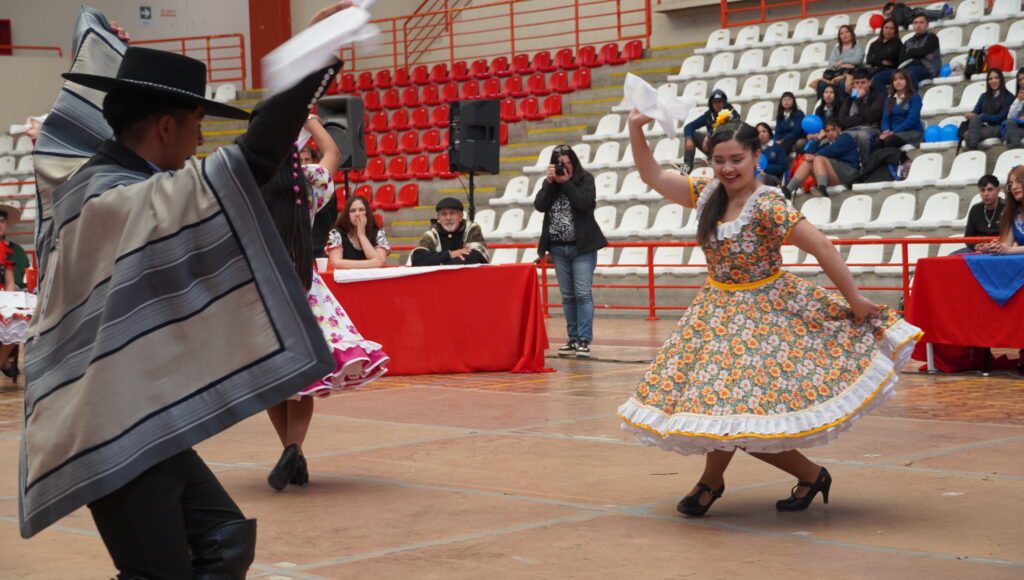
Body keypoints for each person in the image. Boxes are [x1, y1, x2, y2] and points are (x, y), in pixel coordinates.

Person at [20, 4, 351, 578]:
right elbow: (254, 157)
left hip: (136, 411)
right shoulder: (124, 200)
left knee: (225, 540)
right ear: (166, 127)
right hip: (104, 421)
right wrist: (310, 56)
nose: (202, 139)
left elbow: (66, 129)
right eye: (197, 123)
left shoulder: (79, 178)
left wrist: (103, 44)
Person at [621, 109, 920, 517]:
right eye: (719, 160)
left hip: (764, 318)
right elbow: (652, 174)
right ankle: (792, 476)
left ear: (756, 156)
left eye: (737, 159)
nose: (728, 168)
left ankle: (720, 481)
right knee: (719, 409)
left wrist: (854, 300)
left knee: (738, 412)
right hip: (716, 316)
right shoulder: (707, 193)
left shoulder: (767, 205)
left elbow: (822, 247)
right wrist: (635, 128)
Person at [263, 117, 389, 490]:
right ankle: (293, 449)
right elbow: (334, 151)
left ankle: (292, 453)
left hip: (264, 289)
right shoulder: (309, 183)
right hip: (304, 286)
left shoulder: (250, 189)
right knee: (304, 377)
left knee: (272, 378)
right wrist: (310, 120)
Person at [535, 144, 607, 358]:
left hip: (582, 247)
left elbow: (583, 203)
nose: (564, 168)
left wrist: (566, 183)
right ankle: (573, 338)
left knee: (582, 294)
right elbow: (540, 205)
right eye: (560, 164)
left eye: (567, 163)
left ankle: (584, 340)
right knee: (567, 297)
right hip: (558, 248)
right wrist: (550, 183)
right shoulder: (550, 184)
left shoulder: (586, 179)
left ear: (574, 162)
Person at [784, 119, 860, 198]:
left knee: (818, 158)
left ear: (839, 129)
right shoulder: (826, 143)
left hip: (848, 173)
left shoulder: (845, 137)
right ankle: (787, 191)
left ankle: (822, 188)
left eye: (833, 130)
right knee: (808, 163)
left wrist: (815, 155)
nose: (830, 133)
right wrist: (818, 138)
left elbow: (833, 150)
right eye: (827, 131)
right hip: (835, 174)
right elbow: (808, 154)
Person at [409, 197, 489, 265]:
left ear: (461, 216)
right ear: (438, 218)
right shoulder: (432, 233)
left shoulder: (471, 228)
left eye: (452, 213)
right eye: (444, 214)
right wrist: (449, 254)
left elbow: (478, 256)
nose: (448, 218)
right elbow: (417, 258)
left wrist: (438, 261)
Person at [681, 89, 741, 175]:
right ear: (711, 103)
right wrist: (688, 138)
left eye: (720, 102)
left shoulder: (731, 112)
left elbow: (723, 127)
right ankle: (687, 167)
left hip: (729, 147)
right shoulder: (709, 115)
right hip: (712, 145)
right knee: (692, 136)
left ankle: (715, 160)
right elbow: (689, 126)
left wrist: (708, 136)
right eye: (715, 102)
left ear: (724, 102)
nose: (717, 104)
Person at [879, 12, 942, 92]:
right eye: (916, 23)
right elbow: (901, 59)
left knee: (909, 73)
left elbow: (923, 51)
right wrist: (919, 54)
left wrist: (910, 52)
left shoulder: (932, 38)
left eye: (921, 22)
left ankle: (912, 98)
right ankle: (888, 99)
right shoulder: (908, 41)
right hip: (906, 68)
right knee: (879, 77)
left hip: (926, 69)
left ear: (927, 25)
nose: (918, 25)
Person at [327, 194, 391, 268]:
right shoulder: (336, 233)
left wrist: (362, 235)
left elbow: (380, 262)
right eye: (353, 211)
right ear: (347, 215)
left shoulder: (378, 233)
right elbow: (336, 263)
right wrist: (371, 263)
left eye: (361, 210)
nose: (357, 214)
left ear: (367, 212)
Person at [837, 69, 884, 163]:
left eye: (863, 82)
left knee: (862, 136)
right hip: (851, 129)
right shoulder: (849, 100)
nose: (859, 86)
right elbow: (842, 119)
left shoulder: (877, 97)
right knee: (840, 137)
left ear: (869, 82)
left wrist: (859, 99)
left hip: (871, 128)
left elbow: (871, 117)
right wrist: (862, 119)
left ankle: (866, 164)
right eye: (857, 83)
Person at [978, 165, 1024, 256]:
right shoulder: (1012, 213)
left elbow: (1009, 249)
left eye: (1019, 181)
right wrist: (994, 247)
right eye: (1010, 184)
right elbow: (1007, 245)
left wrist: (1010, 250)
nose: (1013, 187)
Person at [807, 25, 863, 98]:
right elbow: (831, 64)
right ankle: (823, 104)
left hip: (852, 74)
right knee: (821, 84)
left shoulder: (859, 47)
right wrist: (844, 65)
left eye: (847, 32)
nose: (844, 35)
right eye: (841, 33)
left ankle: (843, 104)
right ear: (839, 36)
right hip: (836, 74)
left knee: (842, 82)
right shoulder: (836, 49)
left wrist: (842, 61)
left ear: (852, 33)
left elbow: (857, 60)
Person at [964, 69, 1014, 151]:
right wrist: (969, 114)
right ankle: (973, 149)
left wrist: (982, 117)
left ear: (1001, 80)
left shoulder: (1009, 96)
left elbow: (1000, 117)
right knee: (968, 131)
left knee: (968, 135)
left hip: (1000, 127)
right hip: (986, 126)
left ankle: (973, 149)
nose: (993, 81)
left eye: (996, 78)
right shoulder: (984, 96)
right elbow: (976, 111)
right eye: (990, 79)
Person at [955, 175, 1005, 253]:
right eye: (982, 190)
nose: (986, 194)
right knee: (950, 257)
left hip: (1001, 248)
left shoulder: (1007, 208)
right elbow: (968, 238)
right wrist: (977, 246)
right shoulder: (975, 209)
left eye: (990, 190)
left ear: (998, 190)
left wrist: (991, 246)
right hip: (979, 249)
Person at [877, 68, 924, 149]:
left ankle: (899, 157)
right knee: (878, 141)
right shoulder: (889, 99)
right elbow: (885, 118)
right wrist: (886, 130)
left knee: (889, 141)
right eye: (895, 80)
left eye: (901, 79)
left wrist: (894, 132)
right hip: (893, 132)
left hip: (911, 131)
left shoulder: (914, 97)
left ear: (907, 81)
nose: (898, 82)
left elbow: (912, 120)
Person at [866, 18, 903, 92]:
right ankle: (858, 98)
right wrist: (881, 61)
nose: (888, 31)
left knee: (876, 79)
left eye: (891, 28)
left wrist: (875, 57)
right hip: (876, 69)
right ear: (882, 29)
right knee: (859, 77)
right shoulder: (874, 44)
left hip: (891, 70)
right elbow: (869, 59)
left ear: (895, 31)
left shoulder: (897, 43)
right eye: (886, 27)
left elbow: (889, 56)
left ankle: (883, 98)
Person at [756, 123, 787, 187]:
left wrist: (763, 168)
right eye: (758, 133)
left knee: (760, 176)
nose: (761, 134)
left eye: (764, 131)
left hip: (773, 179)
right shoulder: (754, 149)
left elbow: (782, 167)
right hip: (755, 176)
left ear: (769, 133)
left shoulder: (778, 148)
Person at [882, 2, 954, 30]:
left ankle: (943, 12)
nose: (889, 16)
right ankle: (943, 12)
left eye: (888, 14)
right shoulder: (899, 10)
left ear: (891, 8)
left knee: (930, 14)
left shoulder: (895, 11)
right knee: (929, 16)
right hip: (914, 16)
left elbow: (899, 20)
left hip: (915, 14)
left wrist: (896, 23)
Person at [1003, 81, 1024, 148]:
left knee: (1010, 136)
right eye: (1020, 80)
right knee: (1009, 122)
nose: (1022, 82)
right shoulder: (1019, 98)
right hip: (1020, 127)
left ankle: (1016, 144)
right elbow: (1010, 117)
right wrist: (1018, 100)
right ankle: (1017, 144)